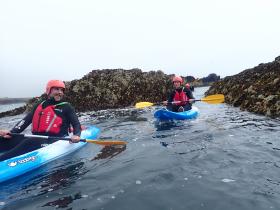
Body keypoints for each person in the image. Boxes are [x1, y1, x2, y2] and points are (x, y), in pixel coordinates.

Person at [0, 80, 81, 161]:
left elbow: (76, 124)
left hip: (55, 140)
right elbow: (25, 121)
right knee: (3, 140)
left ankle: (2, 160)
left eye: (62, 90)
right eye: (56, 89)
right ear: (48, 90)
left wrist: (76, 134)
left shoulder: (66, 107)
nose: (60, 92)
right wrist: (12, 133)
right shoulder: (39, 105)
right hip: (36, 137)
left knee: (29, 142)